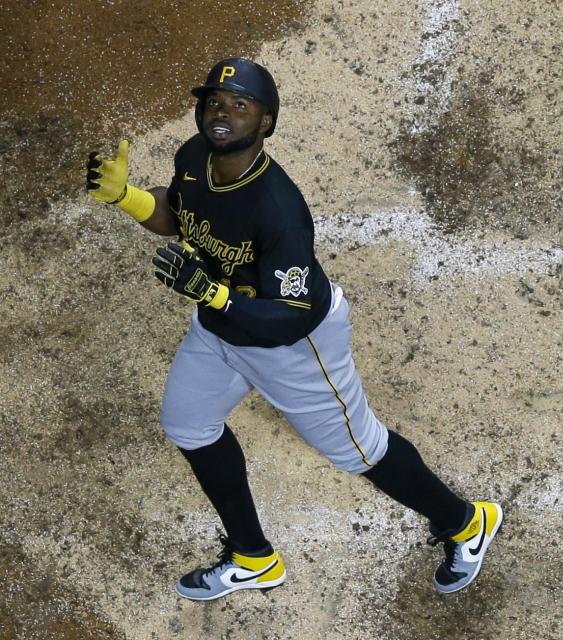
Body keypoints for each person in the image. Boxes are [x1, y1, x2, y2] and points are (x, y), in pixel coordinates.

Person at [84, 57, 502, 601]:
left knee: (360, 450)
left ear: (266, 124)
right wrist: (128, 198)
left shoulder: (278, 209)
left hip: (297, 347)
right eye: (214, 101)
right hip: (220, 331)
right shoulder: (194, 158)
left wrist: (212, 293)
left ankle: (465, 523)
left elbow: (292, 315)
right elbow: (178, 213)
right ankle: (253, 557)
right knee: (188, 425)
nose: (222, 112)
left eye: (240, 105)